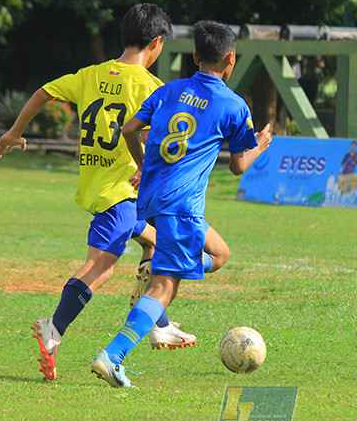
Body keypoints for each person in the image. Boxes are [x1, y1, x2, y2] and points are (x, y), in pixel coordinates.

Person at [0, 3, 196, 382]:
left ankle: (159, 323)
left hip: (100, 184)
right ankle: (53, 328)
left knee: (157, 243)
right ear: (157, 42)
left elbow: (43, 93)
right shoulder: (153, 88)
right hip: (118, 193)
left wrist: (15, 131)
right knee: (100, 267)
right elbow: (157, 140)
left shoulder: (90, 74)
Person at [91, 20, 272, 388]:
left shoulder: (170, 89)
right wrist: (260, 144)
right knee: (164, 289)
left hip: (154, 197)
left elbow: (129, 130)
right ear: (231, 59)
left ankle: (163, 269)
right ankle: (112, 356)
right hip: (182, 205)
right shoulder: (234, 106)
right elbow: (239, 165)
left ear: (195, 56)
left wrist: (146, 168)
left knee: (219, 254)